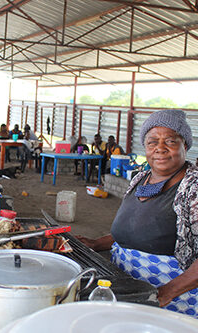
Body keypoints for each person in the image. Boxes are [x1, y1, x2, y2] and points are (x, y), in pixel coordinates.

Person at [77, 109, 198, 318]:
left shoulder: (193, 187)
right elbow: (135, 227)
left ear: (184, 145)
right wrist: (98, 243)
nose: (160, 148)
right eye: (152, 142)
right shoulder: (140, 179)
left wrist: (164, 293)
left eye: (170, 141)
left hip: (174, 301)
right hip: (127, 286)